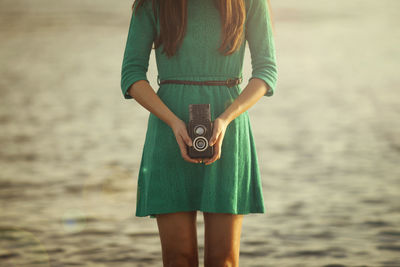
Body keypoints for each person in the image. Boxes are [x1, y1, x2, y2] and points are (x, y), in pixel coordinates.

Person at [120, 0, 277, 266]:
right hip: (169, 131)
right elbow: (131, 75)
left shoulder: (249, 2)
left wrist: (225, 119)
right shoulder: (153, 4)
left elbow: (266, 72)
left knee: (223, 260)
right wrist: (173, 122)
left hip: (228, 130)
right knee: (178, 259)